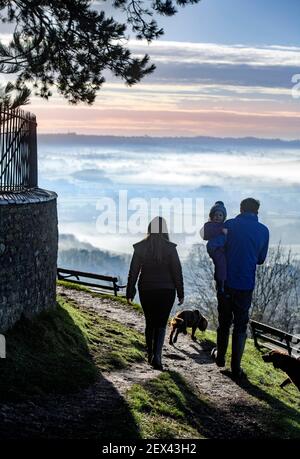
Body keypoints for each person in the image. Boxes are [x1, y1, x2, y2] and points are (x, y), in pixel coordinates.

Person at [211, 198, 269, 379]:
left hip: (226, 282)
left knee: (224, 320)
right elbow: (260, 259)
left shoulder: (230, 225)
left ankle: (220, 357)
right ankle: (235, 367)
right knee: (241, 325)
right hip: (246, 284)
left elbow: (216, 245)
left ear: (241, 209)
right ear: (257, 212)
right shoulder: (263, 231)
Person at [126, 216, 184, 370]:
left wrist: (130, 290)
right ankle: (157, 356)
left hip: (147, 289)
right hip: (167, 291)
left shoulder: (140, 247)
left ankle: (150, 354)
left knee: (150, 322)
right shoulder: (170, 248)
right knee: (161, 323)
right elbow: (177, 271)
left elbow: (133, 271)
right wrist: (180, 292)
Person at [200, 201, 228, 294]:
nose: (218, 217)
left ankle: (221, 282)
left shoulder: (224, 225)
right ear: (211, 216)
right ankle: (221, 284)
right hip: (215, 249)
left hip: (220, 248)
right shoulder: (209, 225)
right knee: (221, 264)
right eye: (215, 215)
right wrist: (221, 230)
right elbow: (206, 234)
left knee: (221, 265)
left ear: (224, 217)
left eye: (220, 215)